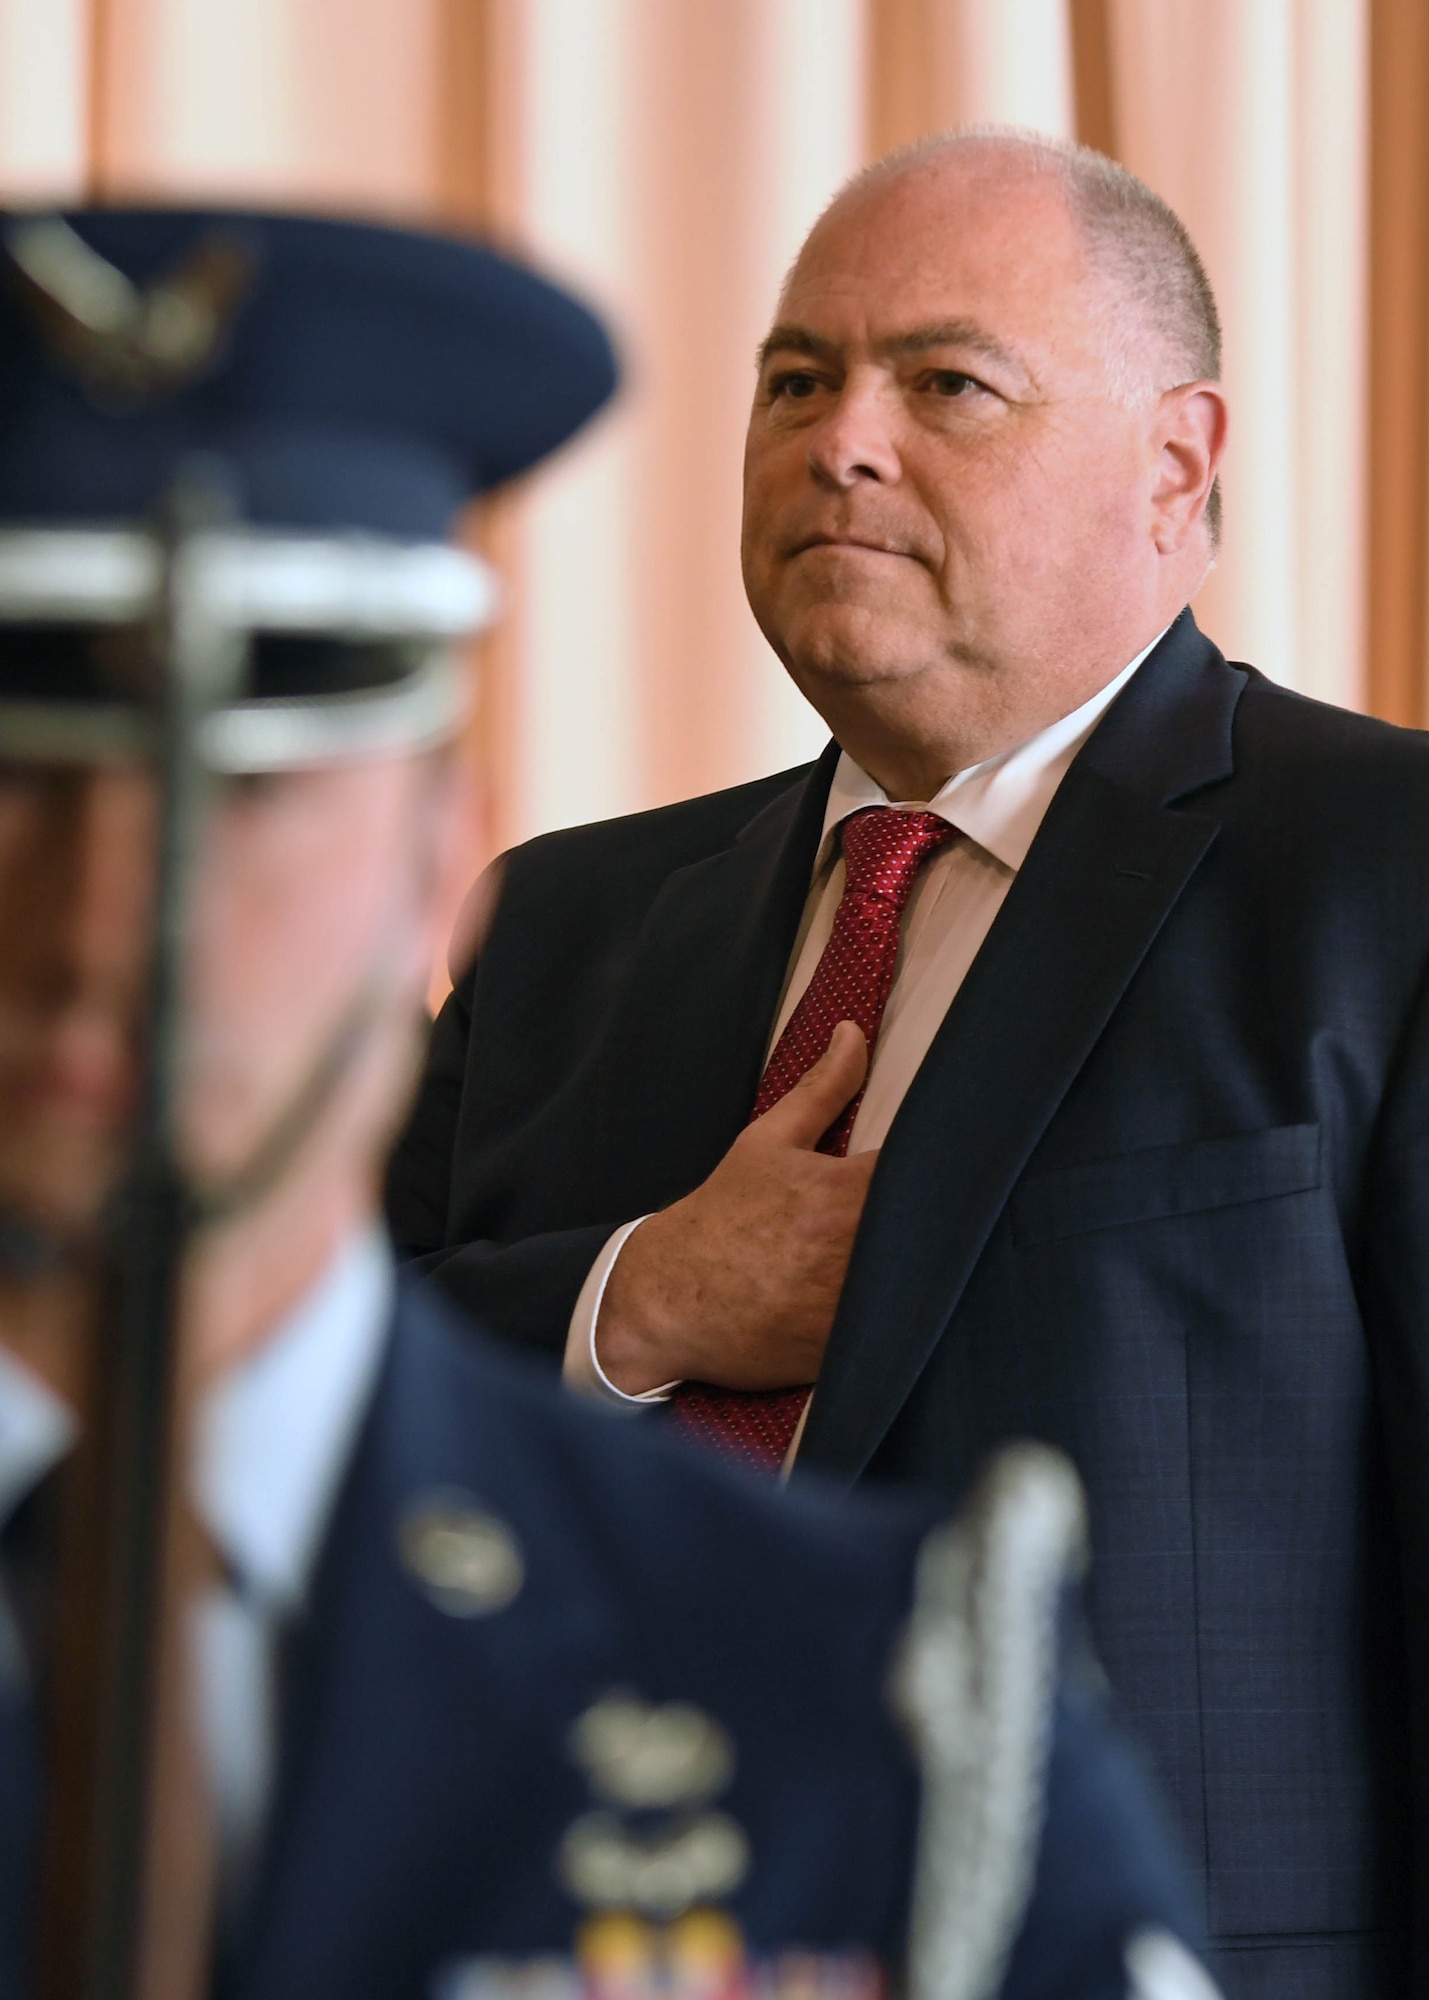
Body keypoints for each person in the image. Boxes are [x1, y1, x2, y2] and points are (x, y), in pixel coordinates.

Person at [0, 206, 1214, 2000]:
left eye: (249, 795)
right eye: (14, 776)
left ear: (431, 859)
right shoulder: (592, 924)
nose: (105, 922)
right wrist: (640, 1295)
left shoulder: (875, 1717)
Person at [388, 128, 1429, 2000]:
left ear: (1174, 467)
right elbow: (299, 1422)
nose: (839, 441)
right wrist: (639, 1305)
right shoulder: (558, 921)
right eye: (797, 380)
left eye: (945, 382)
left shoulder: (1382, 872)